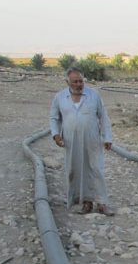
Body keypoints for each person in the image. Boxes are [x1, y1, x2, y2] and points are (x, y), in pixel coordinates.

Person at [49, 67, 114, 216]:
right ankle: (86, 202)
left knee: (96, 168)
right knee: (76, 170)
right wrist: (55, 135)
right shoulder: (60, 97)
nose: (79, 84)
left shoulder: (93, 95)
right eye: (75, 82)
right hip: (71, 141)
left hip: (92, 139)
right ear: (67, 82)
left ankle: (102, 203)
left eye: (81, 81)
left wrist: (107, 137)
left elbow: (103, 117)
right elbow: (54, 118)